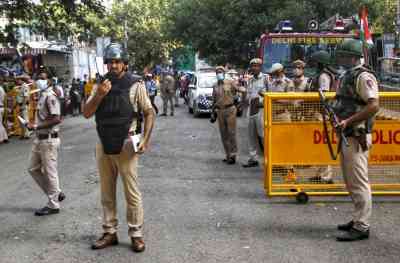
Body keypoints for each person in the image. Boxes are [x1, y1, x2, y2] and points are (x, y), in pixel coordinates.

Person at [83, 43, 155, 253]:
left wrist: (146, 139)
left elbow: (149, 112)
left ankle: (136, 234)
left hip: (127, 144)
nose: (113, 65)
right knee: (107, 192)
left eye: (117, 61)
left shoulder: (136, 84)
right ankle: (109, 232)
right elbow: (87, 113)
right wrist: (99, 96)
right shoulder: (99, 85)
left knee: (132, 192)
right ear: (106, 64)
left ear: (124, 63)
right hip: (103, 143)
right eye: (110, 61)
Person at [333, 39, 379, 242]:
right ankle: (357, 218)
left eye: (343, 55)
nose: (340, 58)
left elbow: (373, 106)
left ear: (352, 57)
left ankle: (362, 225)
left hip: (357, 134)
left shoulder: (364, 76)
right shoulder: (348, 75)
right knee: (351, 180)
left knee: (359, 182)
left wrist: (348, 121)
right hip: (348, 134)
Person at [27, 71, 65, 216]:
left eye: (43, 78)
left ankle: (53, 204)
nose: (39, 81)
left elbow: (57, 119)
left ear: (49, 80)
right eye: (38, 78)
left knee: (50, 172)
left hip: (49, 139)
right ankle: (56, 192)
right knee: (32, 168)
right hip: (39, 138)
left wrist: (36, 126)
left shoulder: (50, 96)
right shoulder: (42, 95)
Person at [308, 50, 337, 184]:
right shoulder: (321, 74)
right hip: (319, 113)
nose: (314, 64)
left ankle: (326, 175)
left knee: (324, 145)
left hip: (323, 114)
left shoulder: (324, 76)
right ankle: (320, 173)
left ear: (320, 63)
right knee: (318, 145)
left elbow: (324, 95)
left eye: (315, 62)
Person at [212, 66, 245, 164]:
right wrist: (212, 113)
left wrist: (241, 103)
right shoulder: (215, 85)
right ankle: (228, 155)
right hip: (220, 111)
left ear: (224, 72)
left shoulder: (230, 82)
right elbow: (214, 100)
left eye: (221, 71)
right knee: (223, 134)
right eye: (217, 72)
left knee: (231, 133)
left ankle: (233, 155)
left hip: (230, 109)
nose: (219, 73)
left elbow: (241, 90)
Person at [243, 58, 269, 168]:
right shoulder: (250, 80)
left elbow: (270, 93)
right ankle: (253, 158)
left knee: (263, 135)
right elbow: (248, 94)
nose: (254, 68)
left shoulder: (266, 78)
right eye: (253, 66)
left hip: (261, 109)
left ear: (260, 67)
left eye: (257, 66)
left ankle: (269, 158)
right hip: (251, 108)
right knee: (251, 135)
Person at [15, 75, 32, 139]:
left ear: (21, 80)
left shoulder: (25, 86)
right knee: (21, 120)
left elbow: (26, 97)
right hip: (20, 105)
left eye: (18, 80)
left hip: (23, 105)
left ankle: (27, 134)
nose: (17, 81)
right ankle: (22, 134)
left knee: (25, 120)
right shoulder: (21, 87)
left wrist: (23, 105)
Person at [0, 78, 9, 144]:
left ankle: (1, 139)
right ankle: (5, 137)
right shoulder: (1, 89)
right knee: (1, 124)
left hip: (0, 107)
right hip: (2, 107)